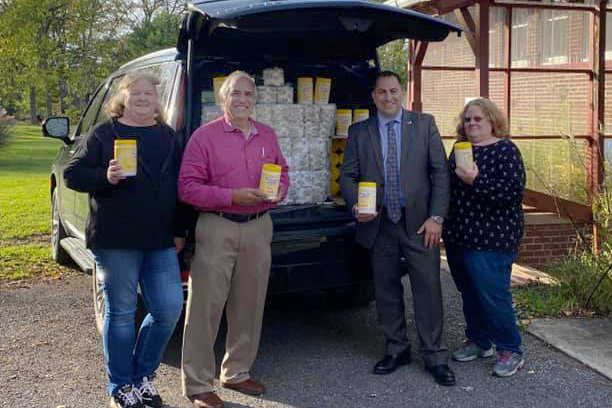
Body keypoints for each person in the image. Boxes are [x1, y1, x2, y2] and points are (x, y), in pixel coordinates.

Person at [64, 73, 187, 408]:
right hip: (115, 238)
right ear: (123, 98)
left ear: (156, 100)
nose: (143, 98)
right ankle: (120, 386)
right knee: (121, 312)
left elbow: (178, 186)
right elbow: (72, 173)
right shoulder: (105, 132)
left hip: (160, 238)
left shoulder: (167, 136)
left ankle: (142, 376)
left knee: (168, 308)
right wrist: (104, 177)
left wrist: (180, 230)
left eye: (149, 93)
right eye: (136, 93)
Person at [178, 70, 289, 408]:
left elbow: (282, 172)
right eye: (235, 94)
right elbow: (187, 188)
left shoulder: (267, 135)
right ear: (223, 98)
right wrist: (231, 196)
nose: (242, 100)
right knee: (205, 306)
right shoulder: (204, 137)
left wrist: (279, 191)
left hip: (259, 226)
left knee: (250, 302)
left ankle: (237, 372)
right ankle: (197, 384)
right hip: (218, 224)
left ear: (254, 99)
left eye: (248, 94)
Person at [339, 71, 454, 386]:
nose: (388, 97)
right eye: (381, 92)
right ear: (373, 96)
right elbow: (347, 176)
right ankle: (397, 349)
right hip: (379, 223)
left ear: (401, 92)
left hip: (419, 223)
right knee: (386, 289)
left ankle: (434, 356)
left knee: (428, 289)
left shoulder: (425, 124)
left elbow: (440, 174)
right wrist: (355, 206)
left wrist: (437, 217)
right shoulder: (359, 132)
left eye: (393, 91)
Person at [443, 98, 526, 377]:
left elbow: (512, 194)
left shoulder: (505, 150)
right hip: (459, 234)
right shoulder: (458, 149)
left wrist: (474, 181)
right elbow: (446, 187)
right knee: (469, 291)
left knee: (493, 294)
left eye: (478, 118)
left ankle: (511, 349)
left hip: (493, 237)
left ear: (492, 120)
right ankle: (480, 341)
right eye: (468, 119)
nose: (472, 124)